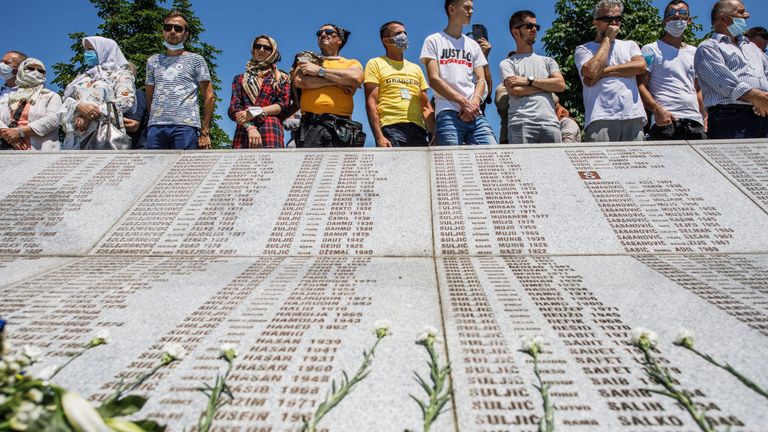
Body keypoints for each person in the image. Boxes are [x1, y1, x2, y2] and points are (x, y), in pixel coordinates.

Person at [420, 0, 496, 145]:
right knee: (452, 163)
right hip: (448, 112)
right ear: (452, 9)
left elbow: (481, 80)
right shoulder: (433, 41)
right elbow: (434, 79)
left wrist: (474, 102)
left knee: (493, 154)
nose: (471, 12)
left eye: (472, 8)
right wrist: (463, 103)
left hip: (475, 114)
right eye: (467, 8)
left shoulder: (473, 45)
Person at [695, 0, 768, 139]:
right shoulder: (709, 47)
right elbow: (723, 82)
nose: (747, 15)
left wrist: (764, 100)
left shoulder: (753, 48)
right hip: (730, 116)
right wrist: (757, 97)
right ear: (723, 18)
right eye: (740, 12)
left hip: (762, 113)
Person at [575, 0, 647, 142]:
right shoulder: (583, 49)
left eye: (618, 18)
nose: (614, 23)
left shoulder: (630, 44)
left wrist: (603, 72)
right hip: (600, 116)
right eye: (608, 19)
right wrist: (607, 38)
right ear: (595, 22)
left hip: (633, 115)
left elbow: (640, 66)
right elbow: (591, 71)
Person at [638, 0, 706, 141]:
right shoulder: (650, 49)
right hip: (666, 121)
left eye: (682, 13)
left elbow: (697, 90)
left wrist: (705, 115)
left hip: (695, 122)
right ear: (664, 21)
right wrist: (657, 110)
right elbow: (641, 86)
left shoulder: (695, 52)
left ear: (689, 20)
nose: (677, 16)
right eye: (671, 13)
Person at [146, 11, 215, 150]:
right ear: (162, 31)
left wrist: (205, 130)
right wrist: (153, 118)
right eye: (168, 27)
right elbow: (150, 95)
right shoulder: (152, 61)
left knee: (184, 170)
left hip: (186, 126)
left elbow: (209, 96)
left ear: (186, 34)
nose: (172, 31)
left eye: (178, 28)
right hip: (156, 126)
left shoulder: (196, 60)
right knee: (151, 169)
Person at [364, 21, 434, 147]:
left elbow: (426, 106)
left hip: (418, 129)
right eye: (398, 33)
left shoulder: (416, 68)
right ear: (386, 41)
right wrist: (379, 136)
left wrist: (435, 133)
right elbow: (371, 102)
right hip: (391, 128)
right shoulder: (375, 63)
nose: (403, 36)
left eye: (404, 33)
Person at [500, 10, 566, 143]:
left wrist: (528, 81)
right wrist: (547, 87)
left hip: (551, 123)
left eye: (537, 26)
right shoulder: (507, 63)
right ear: (516, 32)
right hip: (521, 122)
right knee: (523, 164)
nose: (534, 29)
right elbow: (515, 90)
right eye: (529, 26)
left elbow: (560, 85)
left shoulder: (548, 61)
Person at [59, 36, 135, 150]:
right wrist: (78, 107)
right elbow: (66, 100)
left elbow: (125, 101)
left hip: (104, 135)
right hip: (76, 136)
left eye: (91, 49)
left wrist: (91, 114)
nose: (87, 53)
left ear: (104, 50)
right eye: (85, 50)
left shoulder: (121, 74)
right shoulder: (82, 77)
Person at [294, 24, 364, 147]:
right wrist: (338, 81)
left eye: (329, 31)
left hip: (342, 126)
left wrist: (319, 72)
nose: (323, 34)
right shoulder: (307, 60)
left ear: (340, 40)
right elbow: (301, 81)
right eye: (319, 33)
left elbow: (356, 78)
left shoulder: (351, 63)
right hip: (311, 126)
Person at [228, 35, 290, 149]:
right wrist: (250, 127)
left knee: (272, 165)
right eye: (258, 46)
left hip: (270, 129)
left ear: (273, 52)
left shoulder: (282, 78)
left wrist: (254, 112)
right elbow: (234, 108)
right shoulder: (240, 78)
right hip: (244, 130)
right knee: (241, 165)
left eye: (266, 48)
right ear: (253, 49)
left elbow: (283, 105)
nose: (261, 50)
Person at [0, 58, 62, 151]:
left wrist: (20, 132)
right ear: (21, 71)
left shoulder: (50, 96)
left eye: (40, 70)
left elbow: (53, 120)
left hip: (40, 151)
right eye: (31, 68)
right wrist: (8, 136)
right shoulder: (7, 97)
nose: (36, 72)